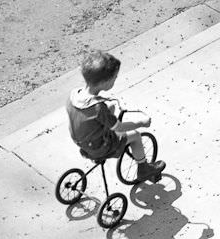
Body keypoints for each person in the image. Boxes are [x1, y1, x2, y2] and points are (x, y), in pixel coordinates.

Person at [67, 50, 165, 182]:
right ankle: (143, 169)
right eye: (115, 77)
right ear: (105, 82)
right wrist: (142, 122)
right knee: (135, 135)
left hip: (82, 141)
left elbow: (89, 115)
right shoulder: (98, 107)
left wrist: (107, 108)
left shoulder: (74, 95)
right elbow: (119, 127)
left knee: (111, 108)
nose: (116, 79)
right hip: (99, 147)